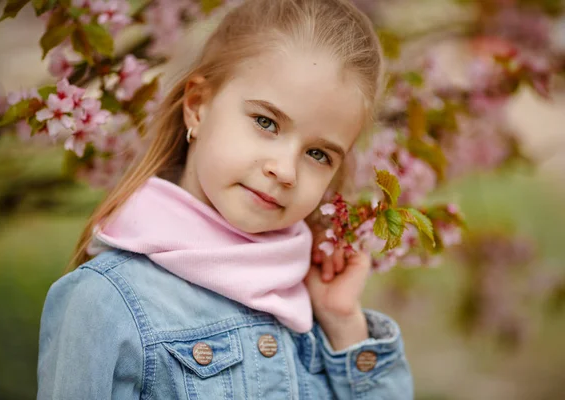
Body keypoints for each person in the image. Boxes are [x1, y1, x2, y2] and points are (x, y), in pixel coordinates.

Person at [37, 0, 414, 398]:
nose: (285, 171)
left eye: (318, 154)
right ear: (198, 106)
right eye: (266, 122)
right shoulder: (104, 303)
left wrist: (342, 323)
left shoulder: (312, 308)